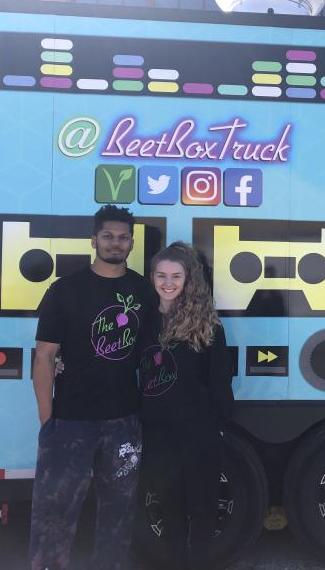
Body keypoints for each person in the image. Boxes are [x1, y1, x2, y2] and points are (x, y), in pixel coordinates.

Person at [28, 205, 154, 570]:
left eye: (123, 237)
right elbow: (44, 359)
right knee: (54, 515)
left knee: (119, 516)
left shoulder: (143, 291)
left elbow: (151, 353)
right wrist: (48, 423)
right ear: (94, 240)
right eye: (108, 236)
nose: (116, 243)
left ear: (132, 243)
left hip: (124, 422)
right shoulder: (65, 290)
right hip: (71, 422)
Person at [137, 241, 234, 570]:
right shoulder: (143, 322)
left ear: (188, 278)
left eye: (175, 276)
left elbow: (220, 382)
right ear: (151, 277)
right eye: (161, 275)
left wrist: (216, 426)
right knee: (170, 509)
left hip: (198, 433)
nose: (167, 282)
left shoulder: (208, 326)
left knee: (203, 510)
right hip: (157, 433)